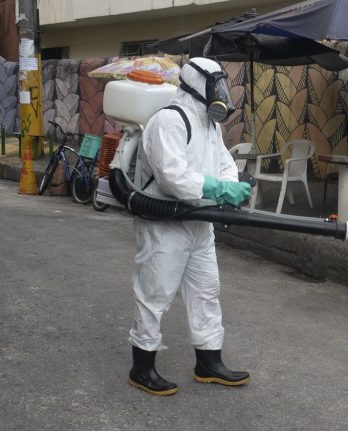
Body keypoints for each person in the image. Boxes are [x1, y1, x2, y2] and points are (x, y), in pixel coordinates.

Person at [127, 57, 252, 396]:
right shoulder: (168, 120)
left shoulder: (212, 126)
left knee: (206, 292)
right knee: (155, 294)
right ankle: (142, 367)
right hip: (164, 223)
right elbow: (173, 177)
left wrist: (228, 185)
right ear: (198, 85)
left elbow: (226, 163)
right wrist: (216, 188)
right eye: (216, 86)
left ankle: (208, 362)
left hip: (200, 223)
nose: (222, 93)